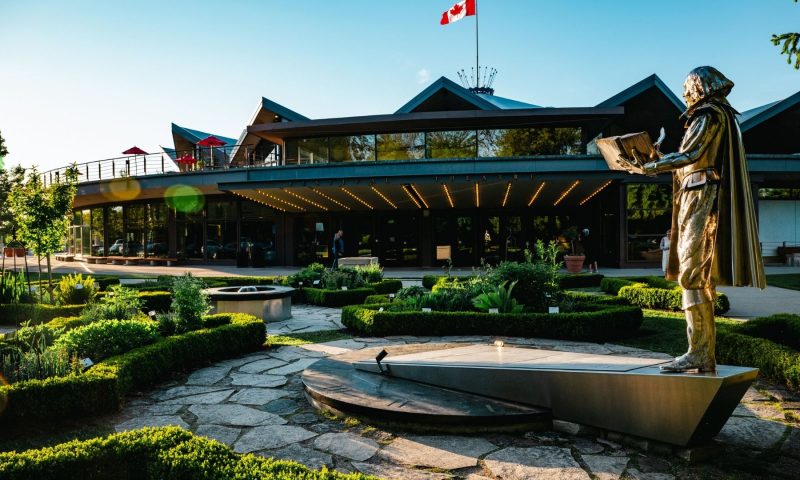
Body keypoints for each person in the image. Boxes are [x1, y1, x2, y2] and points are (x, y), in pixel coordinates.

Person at [631, 66, 765, 373]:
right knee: (695, 278)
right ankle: (701, 353)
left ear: (700, 88)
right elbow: (688, 162)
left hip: (702, 198)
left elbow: (689, 157)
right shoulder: (717, 115)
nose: (684, 94)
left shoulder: (707, 115)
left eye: (687, 87)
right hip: (698, 195)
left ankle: (699, 353)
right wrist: (658, 160)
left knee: (691, 277)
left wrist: (648, 167)